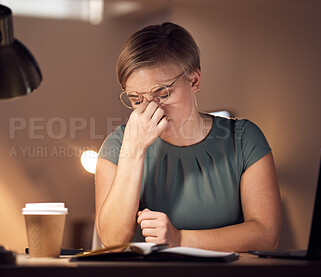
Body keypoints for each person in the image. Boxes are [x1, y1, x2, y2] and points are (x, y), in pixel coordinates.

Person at [94, 22, 281, 252]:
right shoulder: (118, 144)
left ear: (194, 81)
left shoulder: (244, 140)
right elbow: (112, 241)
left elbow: (266, 234)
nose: (152, 110)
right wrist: (134, 149)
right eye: (136, 100)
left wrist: (180, 239)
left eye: (162, 93)